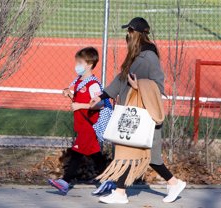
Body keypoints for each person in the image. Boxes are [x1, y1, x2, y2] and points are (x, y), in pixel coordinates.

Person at [90, 17, 186, 204]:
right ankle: (121, 193)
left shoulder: (149, 57)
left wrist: (138, 85)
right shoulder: (135, 54)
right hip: (132, 112)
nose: (127, 34)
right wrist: (102, 96)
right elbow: (121, 78)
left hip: (145, 114)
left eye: (130, 31)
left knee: (148, 156)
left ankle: (172, 184)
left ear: (138, 34)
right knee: (130, 152)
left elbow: (158, 86)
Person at [48, 47, 108, 195]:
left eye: (80, 62)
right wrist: (69, 94)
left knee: (76, 152)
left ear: (89, 64)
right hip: (81, 124)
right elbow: (79, 98)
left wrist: (79, 105)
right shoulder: (79, 81)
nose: (77, 65)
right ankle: (110, 179)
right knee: (95, 155)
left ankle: (64, 182)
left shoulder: (93, 84)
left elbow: (99, 104)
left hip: (89, 125)